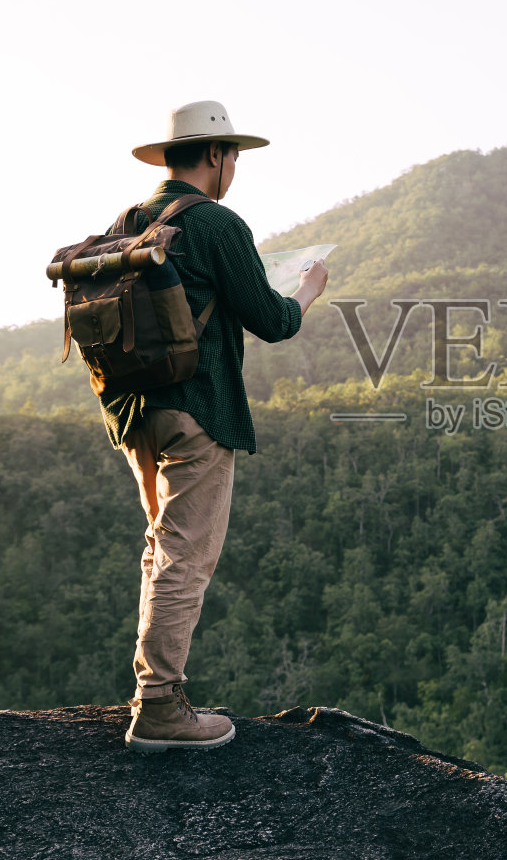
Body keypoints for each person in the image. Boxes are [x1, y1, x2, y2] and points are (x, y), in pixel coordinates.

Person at [106, 100, 328, 752]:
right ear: (213, 156)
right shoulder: (217, 224)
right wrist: (309, 288)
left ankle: (152, 688)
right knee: (186, 553)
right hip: (197, 408)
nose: (235, 167)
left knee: (161, 543)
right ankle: (159, 705)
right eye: (233, 155)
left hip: (134, 413)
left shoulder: (128, 220)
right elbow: (274, 320)